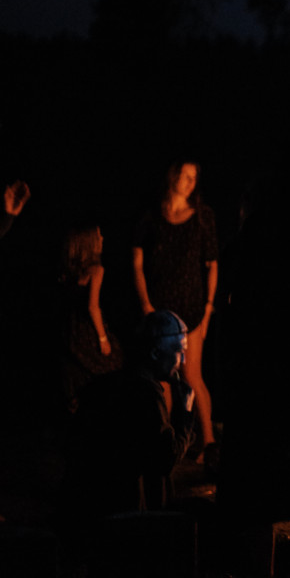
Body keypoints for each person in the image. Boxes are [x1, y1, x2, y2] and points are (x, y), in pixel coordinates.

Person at [59, 309, 195, 522]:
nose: (184, 361)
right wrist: (184, 414)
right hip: (121, 515)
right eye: (179, 352)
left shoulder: (107, 384)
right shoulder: (146, 394)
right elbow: (165, 459)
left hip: (84, 508)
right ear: (155, 353)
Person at [132, 160, 219, 458]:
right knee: (162, 379)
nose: (190, 182)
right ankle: (165, 446)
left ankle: (209, 444)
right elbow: (137, 262)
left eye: (194, 177)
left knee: (192, 375)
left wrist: (208, 309)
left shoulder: (203, 217)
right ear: (172, 176)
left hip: (191, 310)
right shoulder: (152, 216)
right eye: (185, 175)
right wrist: (145, 304)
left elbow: (212, 264)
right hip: (159, 310)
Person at [59, 224, 122, 410]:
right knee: (112, 367)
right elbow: (93, 306)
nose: (102, 239)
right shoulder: (96, 270)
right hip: (88, 331)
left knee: (78, 376)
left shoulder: (67, 272)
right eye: (98, 236)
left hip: (70, 332)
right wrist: (103, 338)